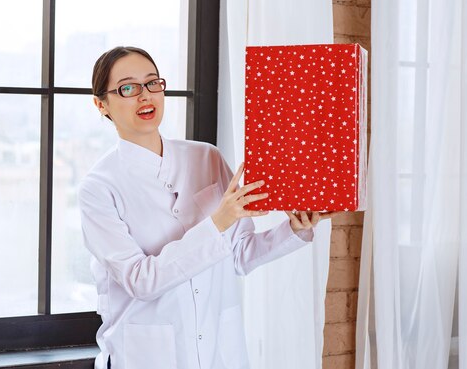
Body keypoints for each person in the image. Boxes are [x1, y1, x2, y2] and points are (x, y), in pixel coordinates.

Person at [78, 46, 338, 369]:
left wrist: (295, 229)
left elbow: (240, 254)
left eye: (152, 83)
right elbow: (141, 281)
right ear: (101, 104)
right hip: (147, 358)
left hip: (220, 353)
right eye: (128, 88)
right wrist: (217, 222)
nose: (145, 96)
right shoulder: (98, 188)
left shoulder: (207, 157)